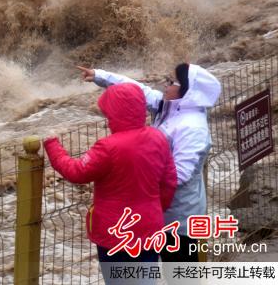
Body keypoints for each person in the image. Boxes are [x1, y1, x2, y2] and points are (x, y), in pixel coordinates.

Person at [77, 63, 222, 262]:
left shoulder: (193, 128)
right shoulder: (168, 106)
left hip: (179, 220)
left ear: (188, 92)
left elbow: (181, 175)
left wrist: (136, 177)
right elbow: (136, 90)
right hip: (156, 214)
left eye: (172, 82)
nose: (166, 85)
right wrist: (99, 75)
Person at [44, 83, 177, 284]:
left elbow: (76, 172)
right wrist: (156, 209)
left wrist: (52, 145)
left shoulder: (108, 147)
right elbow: (169, 183)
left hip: (117, 232)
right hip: (150, 225)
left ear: (114, 113)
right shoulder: (158, 137)